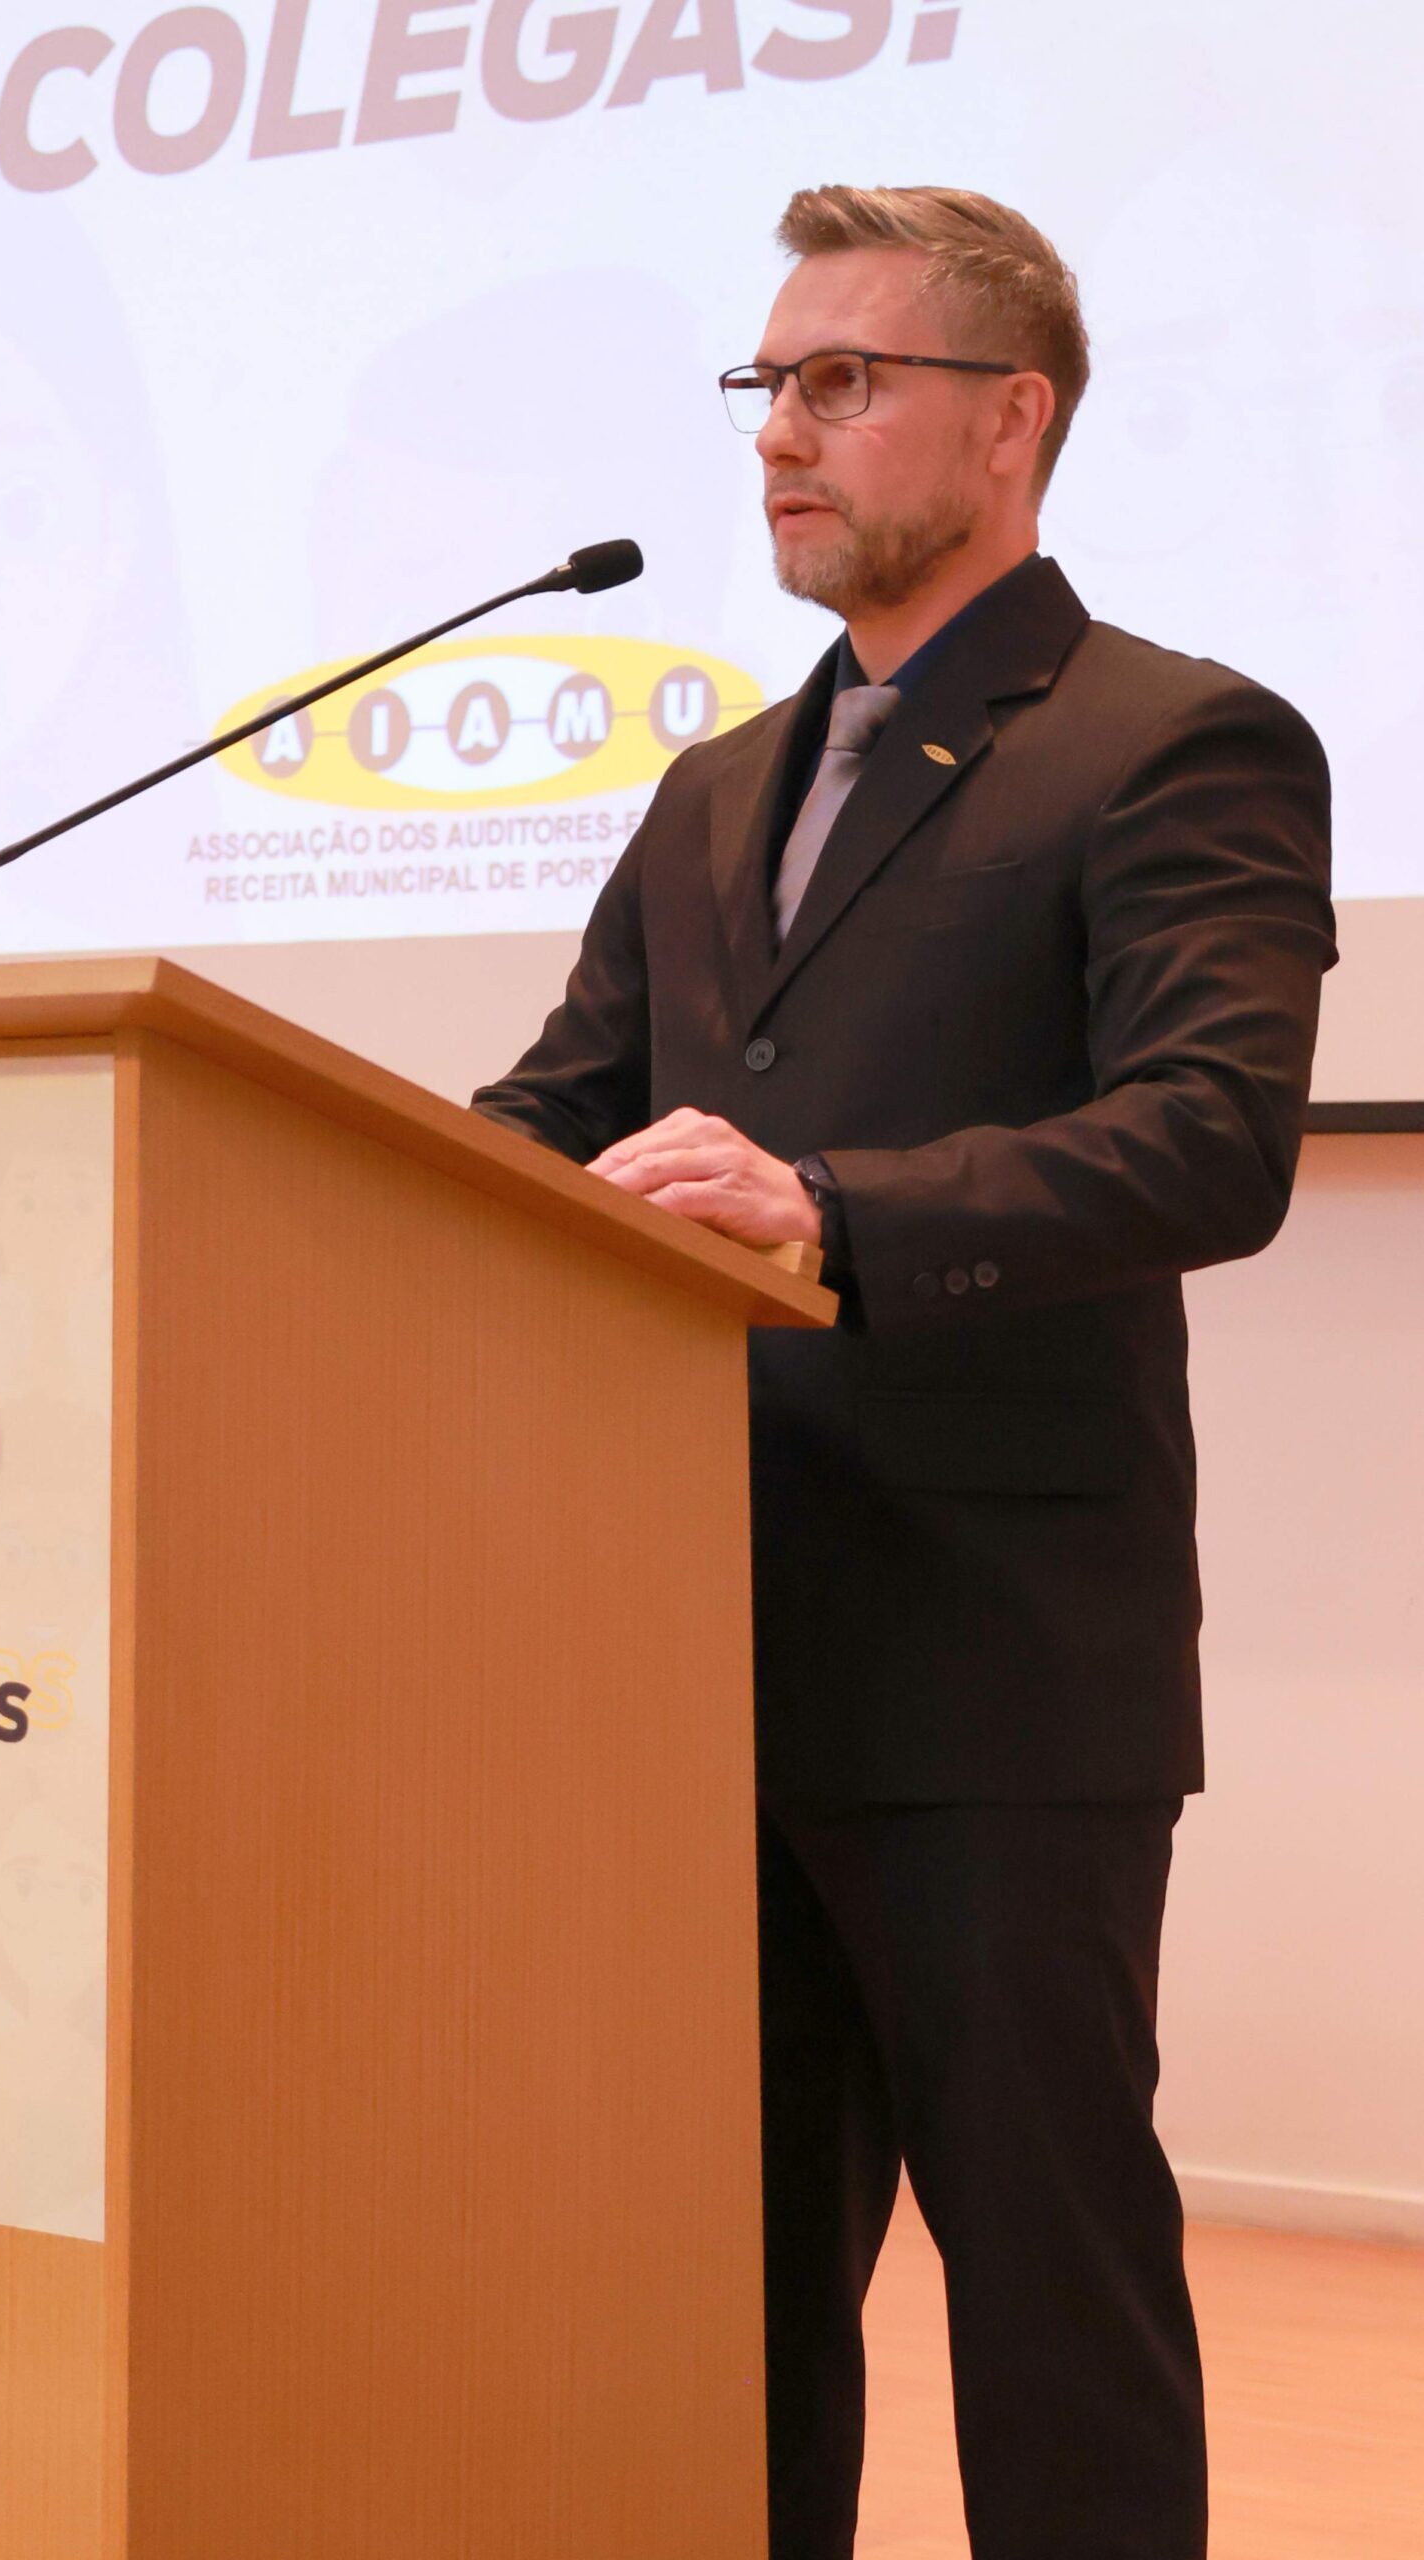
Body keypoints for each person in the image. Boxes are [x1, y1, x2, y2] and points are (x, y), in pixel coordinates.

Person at [472, 185, 1334, 2560]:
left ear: (1010, 416)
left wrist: (828, 1208)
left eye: (840, 382)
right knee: (726, 2301)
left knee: (1046, 2292)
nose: (780, 433)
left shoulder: (1171, 741)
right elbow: (547, 1114)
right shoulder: (708, 793)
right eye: (766, 385)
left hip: (992, 1670)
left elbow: (1206, 1134)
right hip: (697, 1658)